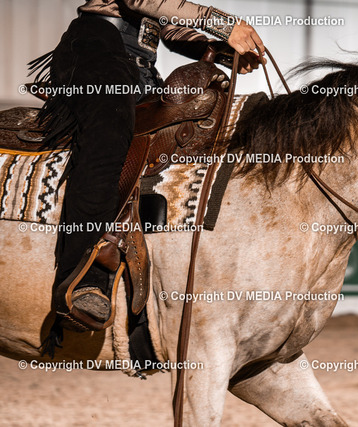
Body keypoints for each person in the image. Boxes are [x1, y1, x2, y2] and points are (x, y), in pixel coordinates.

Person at [31, 1, 263, 332]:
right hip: (97, 51)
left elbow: (166, 26)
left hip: (140, 68)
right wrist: (224, 25)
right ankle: (83, 276)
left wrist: (217, 49)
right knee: (108, 136)